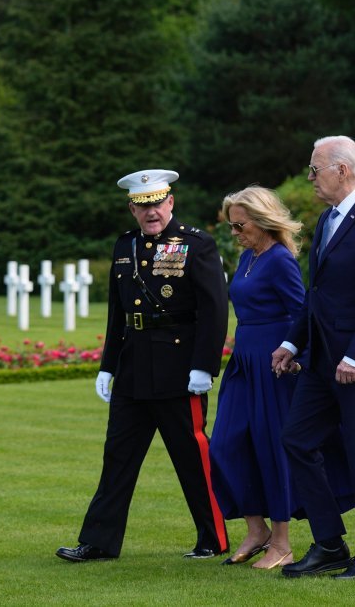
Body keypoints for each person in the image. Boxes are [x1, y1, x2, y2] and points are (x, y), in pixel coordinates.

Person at [56, 169, 229, 563]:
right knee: (117, 457)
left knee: (191, 457)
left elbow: (215, 310)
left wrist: (204, 366)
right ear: (132, 208)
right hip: (133, 370)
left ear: (170, 202)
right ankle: (99, 541)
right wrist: (107, 366)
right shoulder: (125, 246)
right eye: (142, 205)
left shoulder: (196, 244)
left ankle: (213, 538)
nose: (151, 212)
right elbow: (118, 313)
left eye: (157, 203)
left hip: (179, 370)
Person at [272, 135, 355, 580]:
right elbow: (317, 297)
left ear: (341, 170)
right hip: (320, 361)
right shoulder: (328, 220)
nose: (311, 178)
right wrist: (292, 344)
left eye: (315, 169)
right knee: (296, 440)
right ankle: (329, 543)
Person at [208, 186, 305, 570]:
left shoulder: (280, 260)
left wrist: (294, 354)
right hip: (243, 362)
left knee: (270, 448)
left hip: (273, 365)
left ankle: (281, 542)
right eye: (232, 226)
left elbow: (301, 312)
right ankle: (256, 529)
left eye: (240, 225)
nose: (235, 233)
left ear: (263, 220)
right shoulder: (250, 256)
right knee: (226, 445)